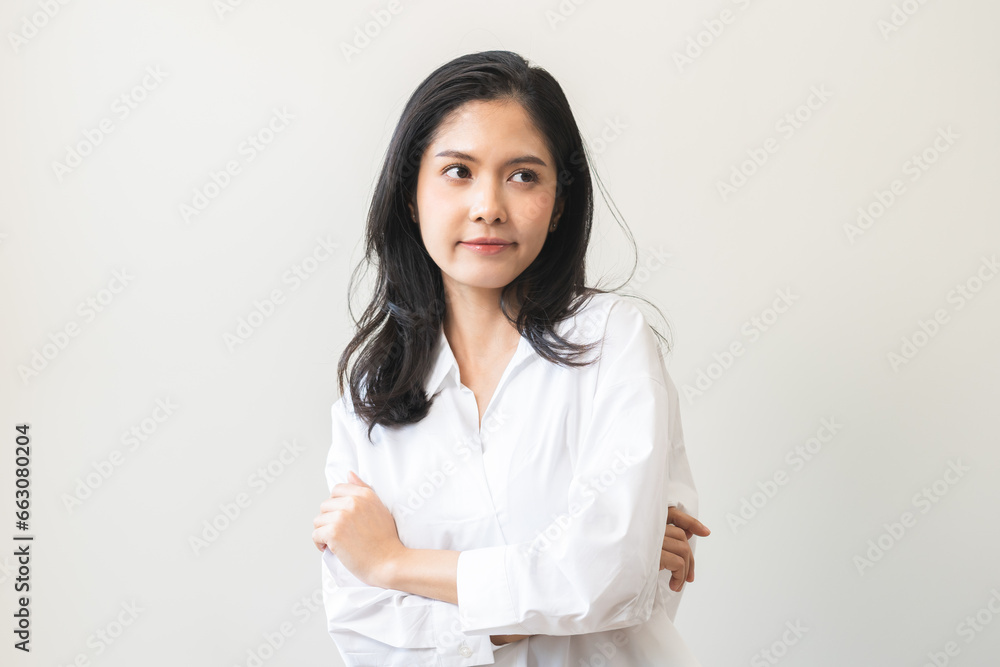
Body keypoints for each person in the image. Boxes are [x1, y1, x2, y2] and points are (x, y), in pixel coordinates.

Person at [311, 50, 709, 666]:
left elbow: (610, 580)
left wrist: (394, 562)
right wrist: (568, 579)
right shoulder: (373, 393)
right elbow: (364, 631)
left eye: (523, 175)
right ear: (411, 195)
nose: (489, 206)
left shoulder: (612, 342)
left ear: (557, 204)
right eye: (457, 171)